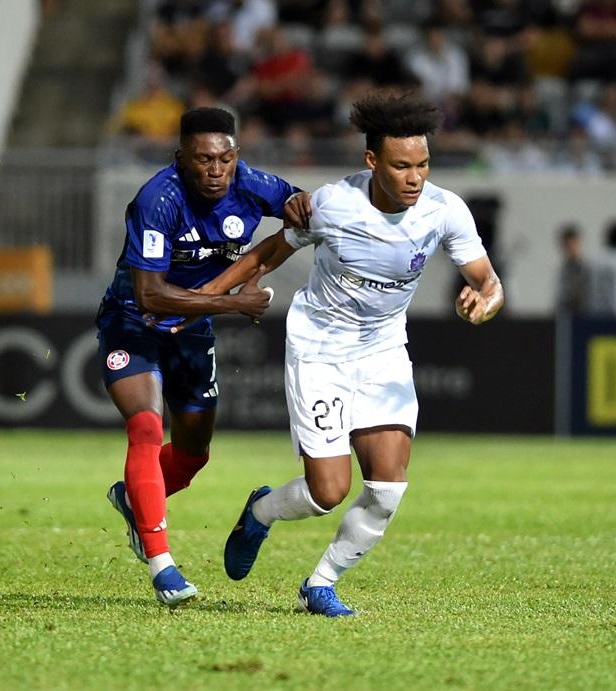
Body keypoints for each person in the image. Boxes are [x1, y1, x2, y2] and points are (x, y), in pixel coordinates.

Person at [198, 92, 504, 616]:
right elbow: (270, 251)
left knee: (387, 488)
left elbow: (488, 280)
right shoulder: (334, 205)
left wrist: (485, 304)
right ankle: (262, 512)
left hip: (384, 350)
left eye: (423, 164)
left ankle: (320, 584)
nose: (415, 177)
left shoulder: (445, 210)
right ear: (372, 161)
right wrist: (207, 298)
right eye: (402, 166)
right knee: (328, 492)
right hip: (320, 348)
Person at [97, 106, 311, 607]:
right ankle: (162, 566)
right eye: (203, 160)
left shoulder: (252, 185)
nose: (215, 170)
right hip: (134, 321)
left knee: (194, 454)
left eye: (224, 159)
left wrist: (304, 208)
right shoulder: (157, 199)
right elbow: (151, 294)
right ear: (181, 158)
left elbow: (302, 208)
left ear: (236, 156)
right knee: (146, 427)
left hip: (193, 329)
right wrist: (233, 303)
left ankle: (133, 498)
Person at [555, 222, 588, 316]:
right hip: (566, 313)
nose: (570, 248)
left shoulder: (584, 268)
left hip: (581, 314)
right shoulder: (564, 268)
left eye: (572, 244)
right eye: (566, 245)